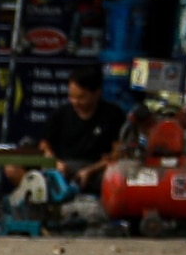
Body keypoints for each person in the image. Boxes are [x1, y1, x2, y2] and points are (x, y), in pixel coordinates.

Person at [40, 63, 124, 192]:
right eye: (71, 96)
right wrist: (55, 162)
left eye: (81, 97)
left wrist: (90, 171)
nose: (75, 102)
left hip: (97, 169)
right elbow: (45, 145)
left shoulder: (113, 114)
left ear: (96, 93)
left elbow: (117, 154)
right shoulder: (60, 113)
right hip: (66, 167)